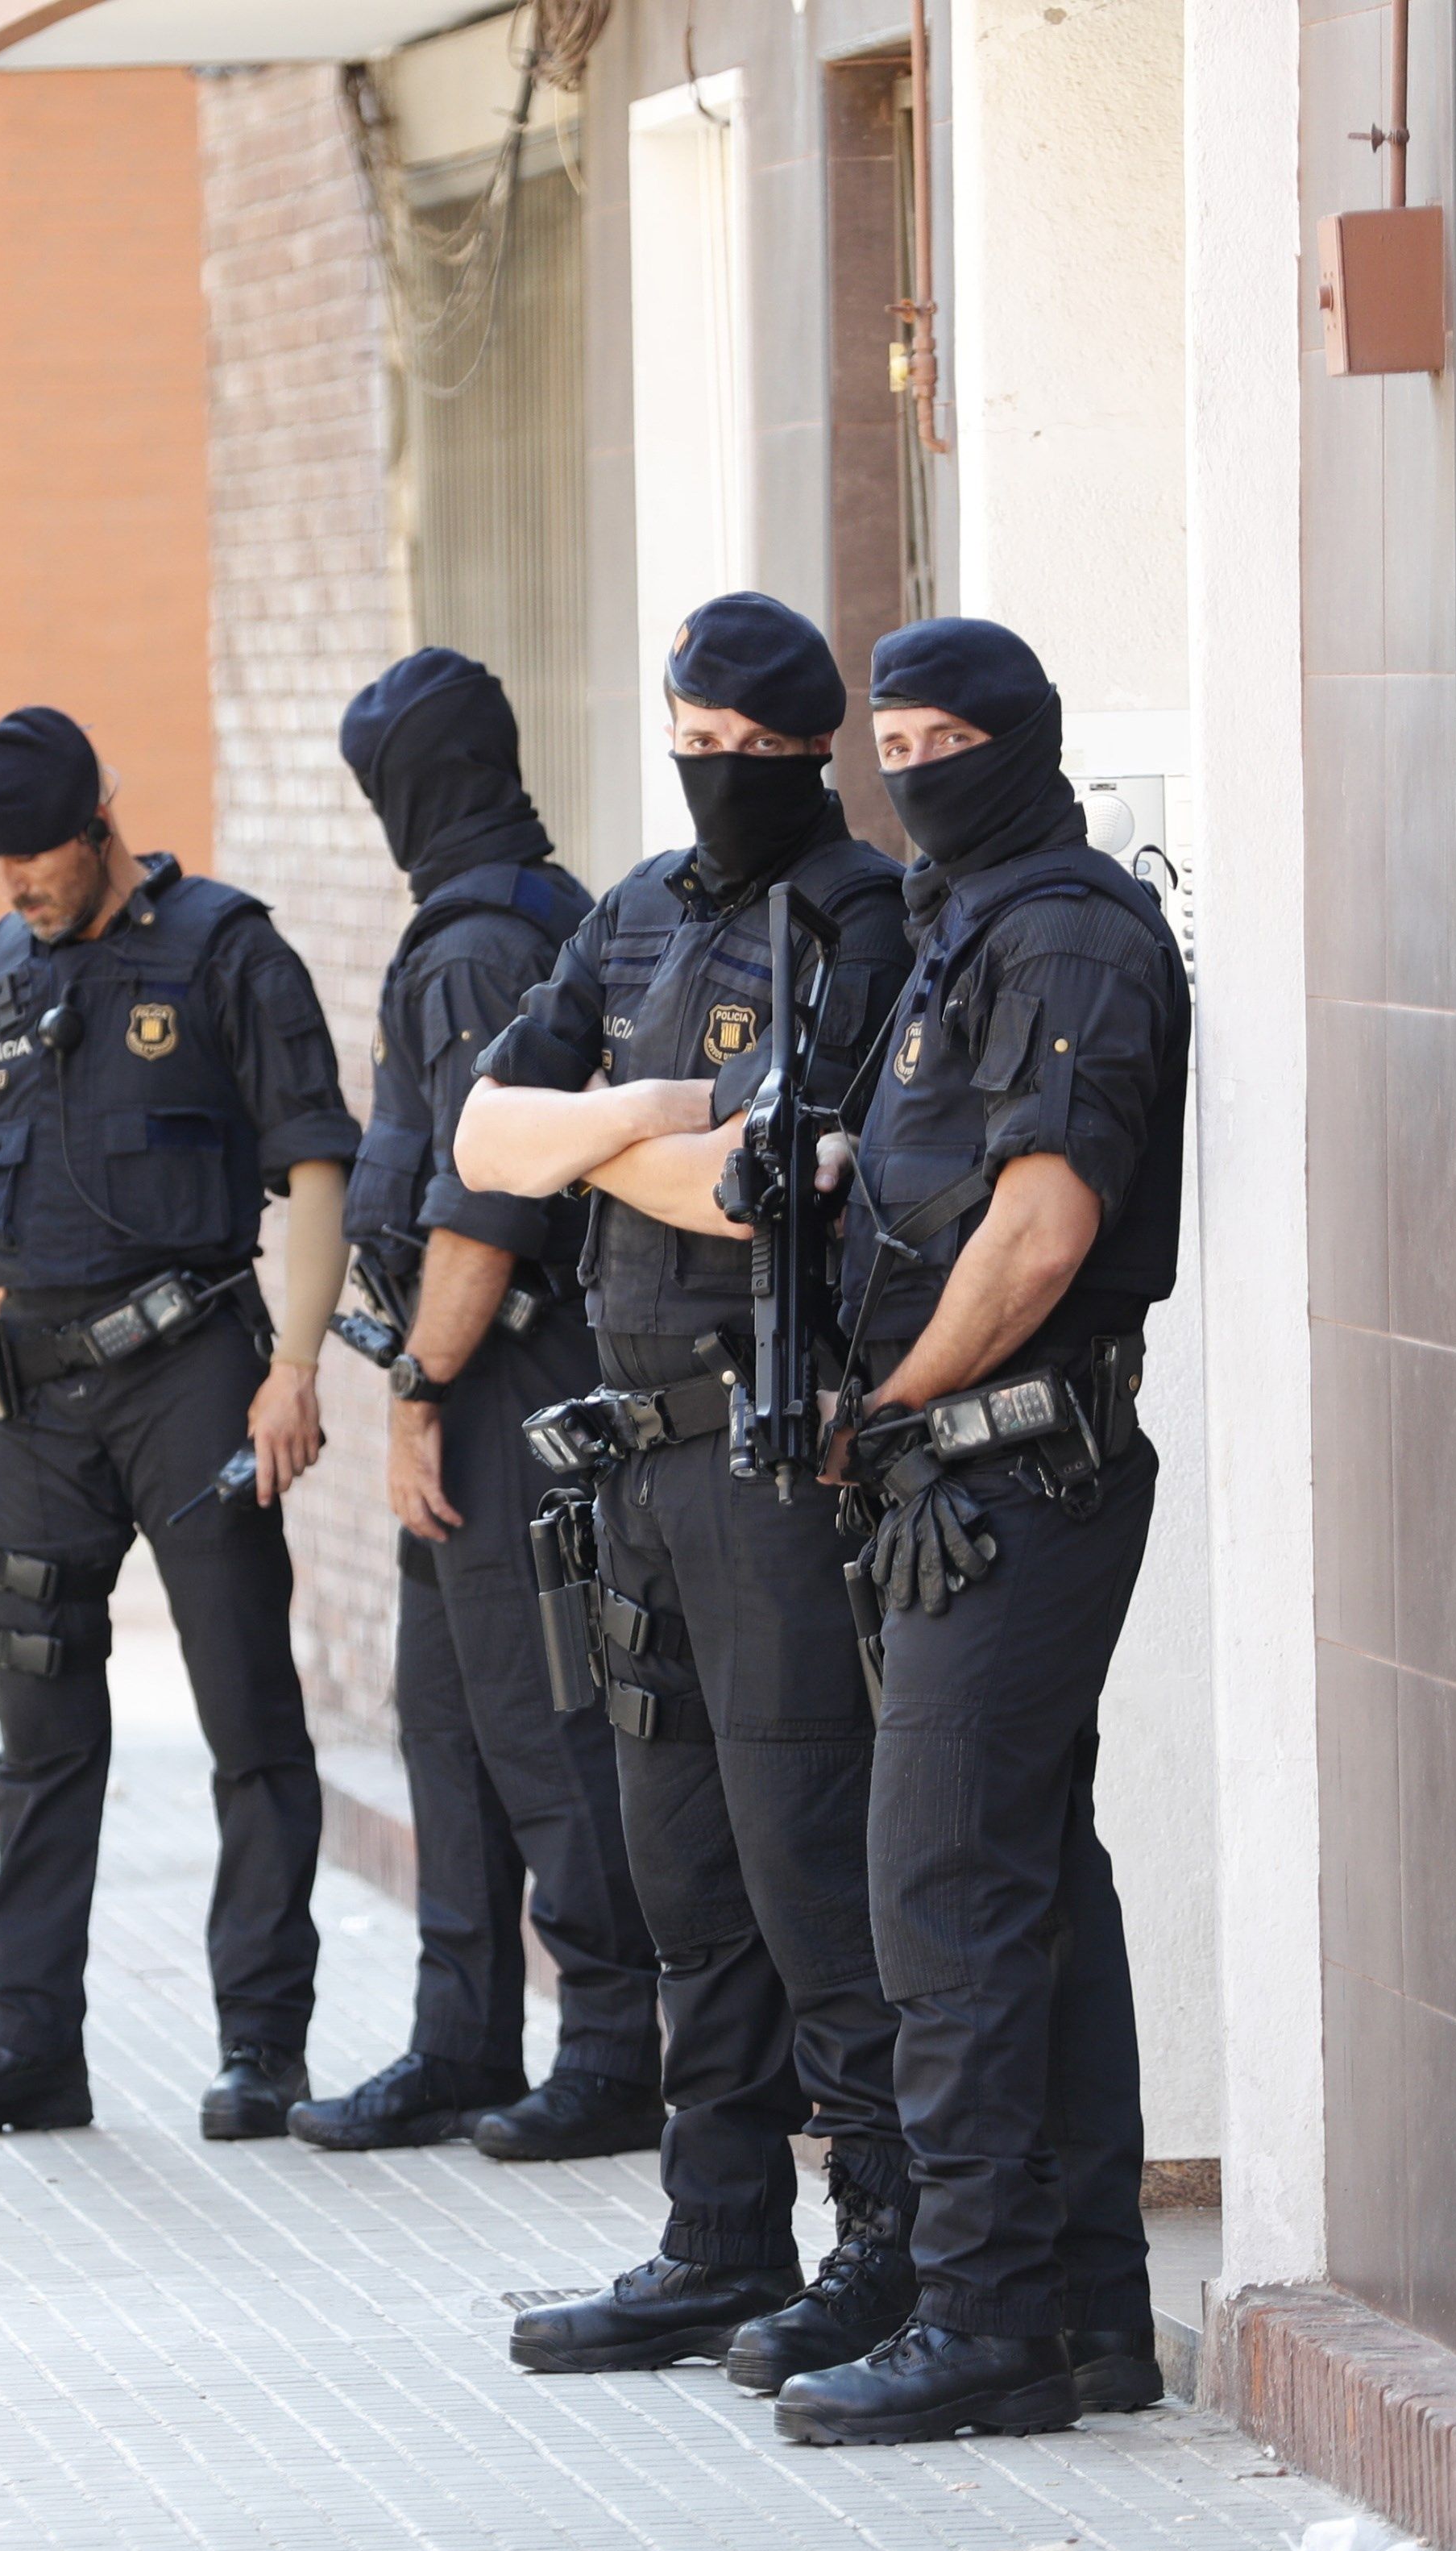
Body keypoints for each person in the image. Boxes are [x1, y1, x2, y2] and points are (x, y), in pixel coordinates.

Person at [450, 594, 927, 2390]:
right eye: (690, 742)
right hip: (632, 1449)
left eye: (745, 749)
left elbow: (783, 1179)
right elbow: (493, 1141)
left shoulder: (861, 923)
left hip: (768, 1446)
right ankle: (718, 2237)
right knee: (679, 1874)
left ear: (810, 748)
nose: (711, 774)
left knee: (807, 1861)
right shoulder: (634, 907)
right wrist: (648, 1119)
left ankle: (884, 2243)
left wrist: (622, 1141)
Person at [764, 617, 1188, 2446]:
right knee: (1028, 1887)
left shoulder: (1072, 930)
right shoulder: (960, 928)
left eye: (948, 738)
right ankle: (1087, 2314)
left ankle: (981, 2322)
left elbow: (1040, 1227)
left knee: (940, 1893)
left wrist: (898, 1400)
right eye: (894, 738)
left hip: (1013, 1466)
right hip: (958, 1472)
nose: (912, 769)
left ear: (1020, 744)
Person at [0, 706, 362, 2144]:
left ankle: (262, 2044)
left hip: (195, 1372)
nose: (16, 881)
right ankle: (30, 2042)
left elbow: (317, 1163)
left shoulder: (225, 951)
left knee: (248, 1716)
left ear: (99, 823)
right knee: (37, 1726)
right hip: (36, 1394)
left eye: (35, 853)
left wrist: (296, 1367)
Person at [285, 649, 663, 2163]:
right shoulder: (530, 917)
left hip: (506, 1377)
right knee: (447, 1719)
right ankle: (459, 2040)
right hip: (485, 1374)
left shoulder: (475, 951)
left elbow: (483, 1206)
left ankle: (611, 2048)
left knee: (542, 1717)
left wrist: (421, 1388)